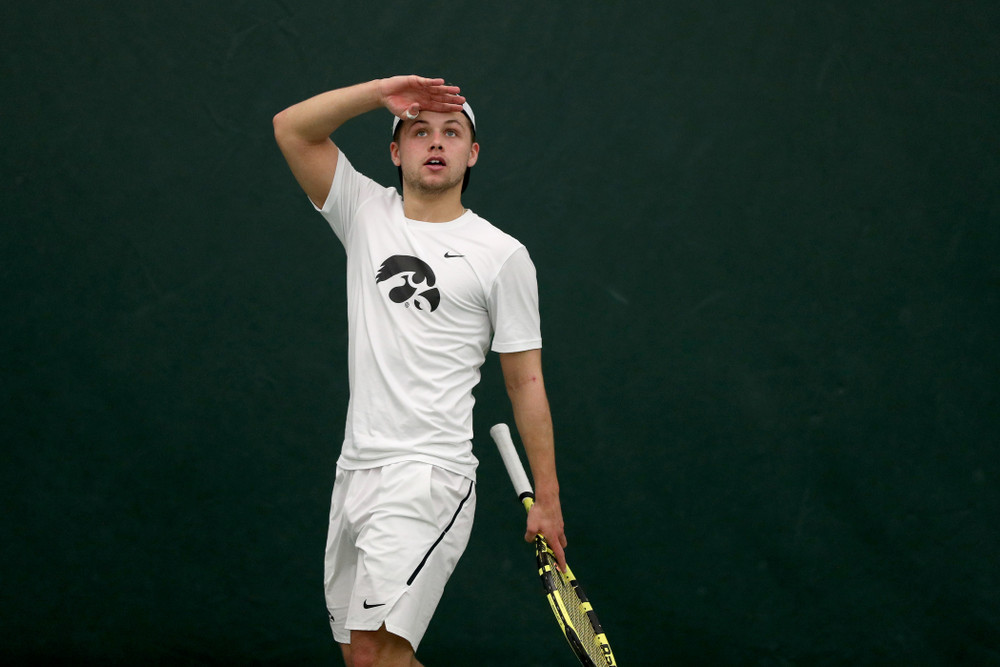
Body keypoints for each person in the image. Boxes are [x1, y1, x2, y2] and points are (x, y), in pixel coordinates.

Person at [272, 75, 567, 667]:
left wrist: (549, 496)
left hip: (428, 474)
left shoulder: (501, 256)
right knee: (366, 657)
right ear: (395, 151)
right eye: (419, 130)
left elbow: (524, 382)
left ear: (472, 153)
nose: (436, 142)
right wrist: (380, 93)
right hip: (356, 469)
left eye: (452, 131)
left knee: (379, 654)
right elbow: (292, 129)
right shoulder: (363, 212)